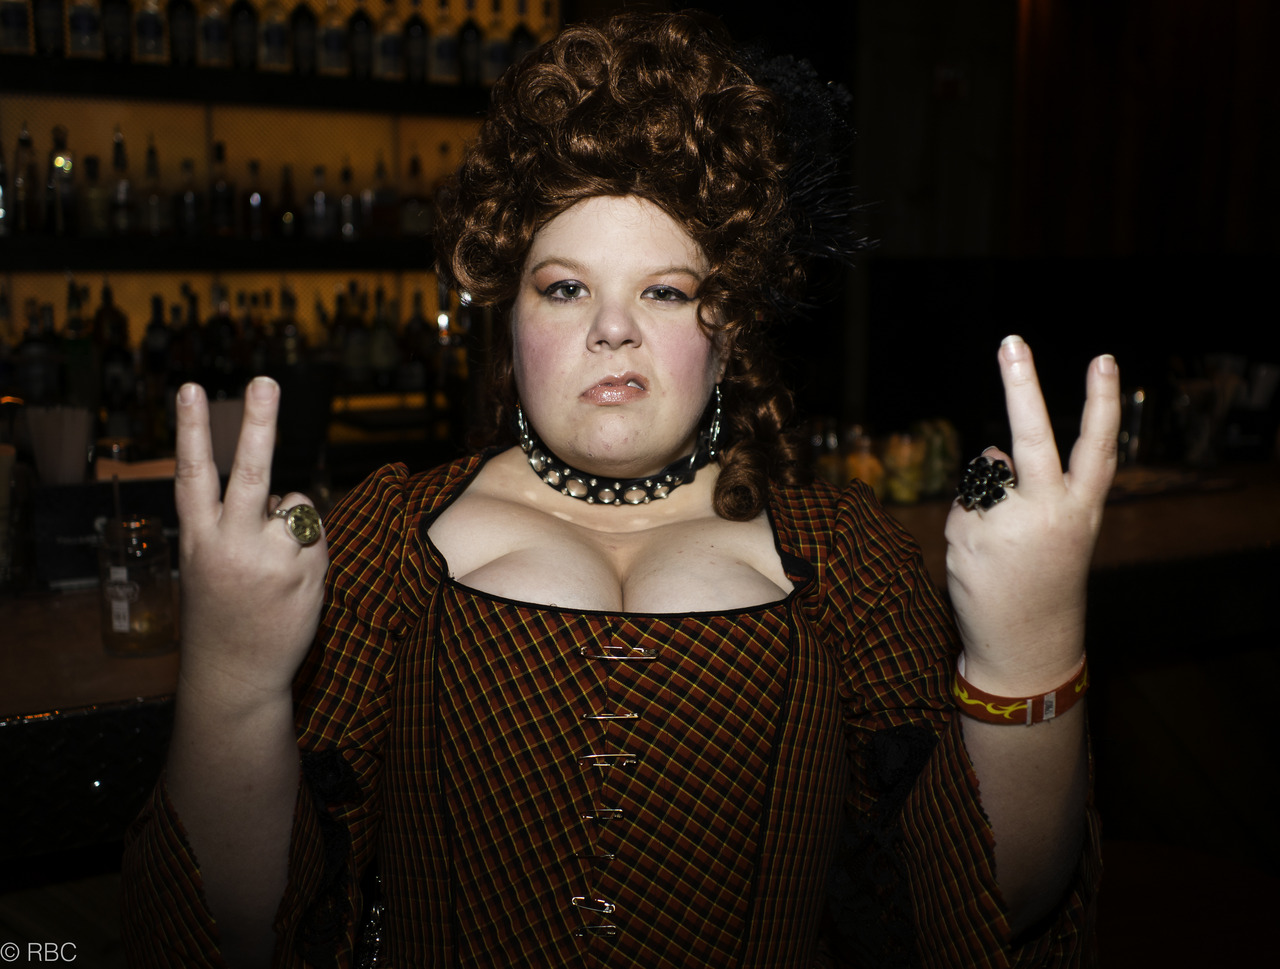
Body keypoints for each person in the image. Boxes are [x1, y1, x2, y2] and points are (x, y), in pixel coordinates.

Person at [123, 10, 1116, 968]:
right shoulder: (389, 540)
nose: (611, 328)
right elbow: (239, 935)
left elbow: (989, 914)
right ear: (508, 316)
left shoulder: (844, 561)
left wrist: (1028, 646)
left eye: (665, 291)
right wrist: (233, 678)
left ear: (727, 329)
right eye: (565, 287)